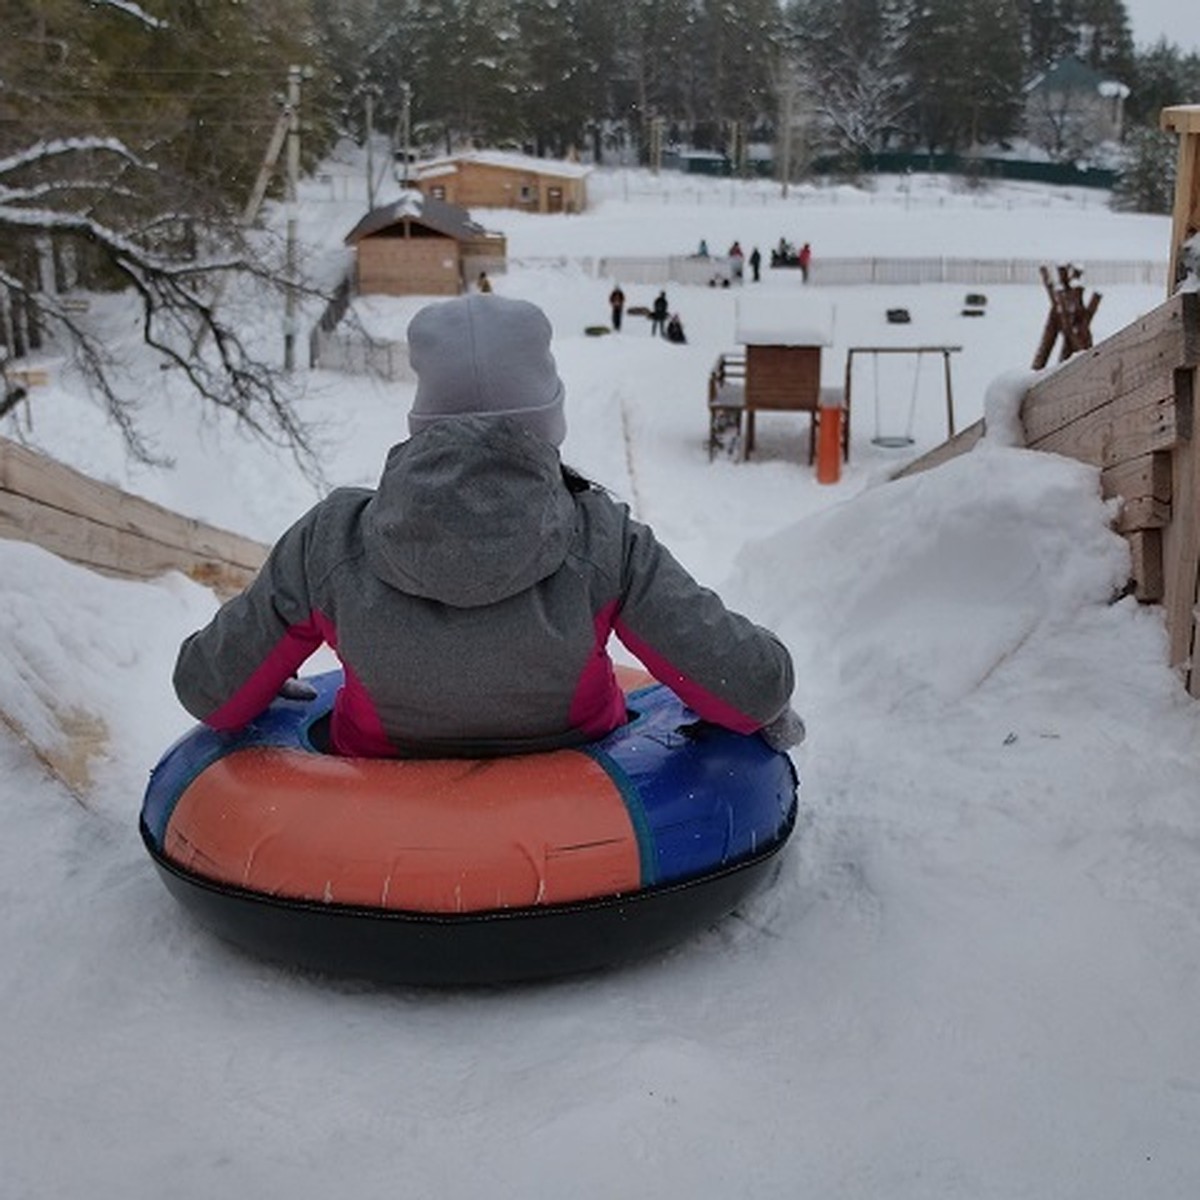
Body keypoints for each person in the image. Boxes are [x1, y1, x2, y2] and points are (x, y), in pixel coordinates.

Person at [173, 295, 804, 760]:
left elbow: (209, 688)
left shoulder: (331, 540)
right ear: (547, 421)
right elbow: (754, 682)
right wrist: (756, 707)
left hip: (373, 811)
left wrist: (256, 678)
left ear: (423, 420)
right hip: (579, 824)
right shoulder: (603, 539)